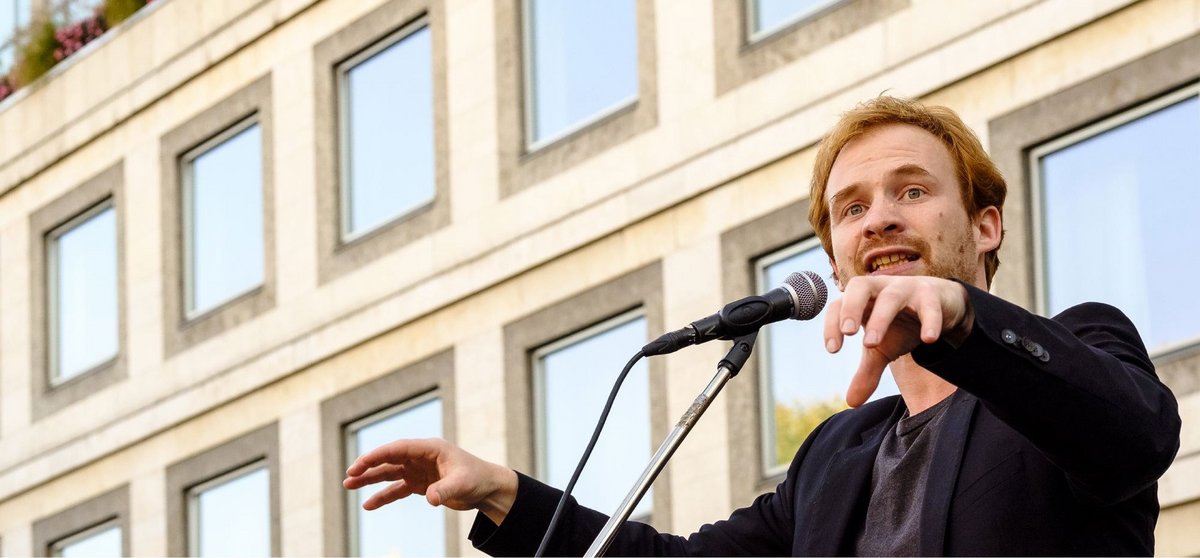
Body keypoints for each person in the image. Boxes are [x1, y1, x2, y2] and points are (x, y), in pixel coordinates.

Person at [343, 96, 1181, 556]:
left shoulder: (1079, 349)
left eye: (913, 192)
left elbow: (1131, 432)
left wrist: (964, 318)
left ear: (987, 226)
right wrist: (502, 492)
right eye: (851, 209)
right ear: (837, 257)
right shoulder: (834, 456)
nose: (879, 219)